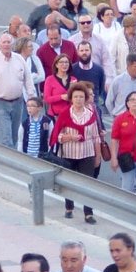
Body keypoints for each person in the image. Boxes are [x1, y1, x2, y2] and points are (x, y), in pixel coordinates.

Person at [50, 82, 104, 222]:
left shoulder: (91, 114)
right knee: (69, 182)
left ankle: (88, 213)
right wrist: (70, 137)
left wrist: (97, 156)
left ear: (85, 98)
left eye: (81, 96)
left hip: (87, 154)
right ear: (71, 98)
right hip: (69, 154)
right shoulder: (64, 114)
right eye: (75, 97)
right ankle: (69, 207)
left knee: (87, 183)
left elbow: (96, 136)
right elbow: (57, 136)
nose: (78, 99)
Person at [0, 34, 28, 148]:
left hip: (18, 101)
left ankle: (11, 156)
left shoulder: (19, 59)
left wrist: (31, 97)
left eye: (9, 42)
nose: (6, 44)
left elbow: (28, 79)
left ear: (12, 44)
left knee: (14, 135)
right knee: (6, 137)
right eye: (4, 42)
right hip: (0, 102)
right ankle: (9, 163)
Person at [16, 96, 54, 160]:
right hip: (28, 155)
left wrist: (50, 151)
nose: (29, 108)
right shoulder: (24, 124)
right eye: (28, 106)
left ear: (39, 108)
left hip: (42, 156)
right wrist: (20, 153)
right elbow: (20, 140)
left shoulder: (47, 122)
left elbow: (51, 137)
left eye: (32, 106)